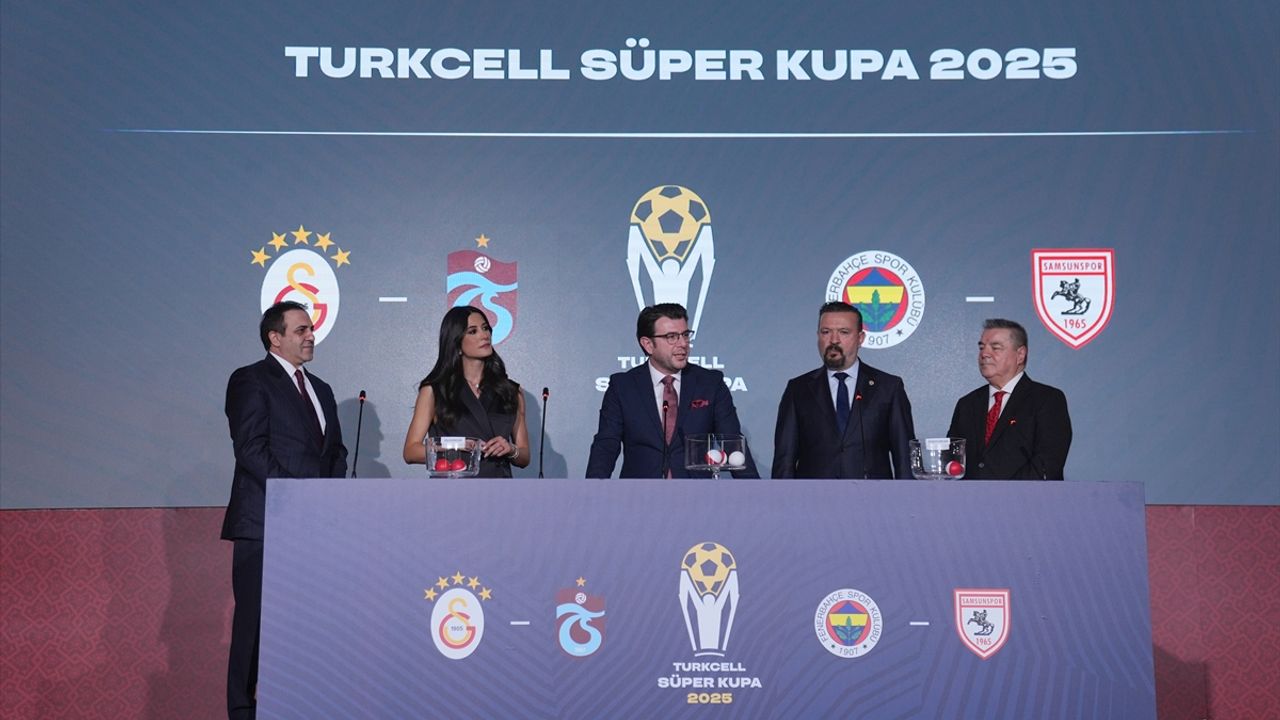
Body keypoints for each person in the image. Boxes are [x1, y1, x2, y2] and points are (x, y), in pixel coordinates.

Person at [222, 301, 348, 720]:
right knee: (254, 626)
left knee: (308, 623)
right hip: (266, 523)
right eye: (300, 330)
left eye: (310, 329)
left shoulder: (322, 389)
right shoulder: (250, 380)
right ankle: (243, 711)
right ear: (274, 338)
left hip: (315, 527)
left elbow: (336, 452)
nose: (310, 336)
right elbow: (250, 449)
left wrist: (328, 499)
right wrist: (297, 496)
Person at [586, 303, 760, 479]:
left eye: (685, 335)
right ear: (648, 344)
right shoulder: (623, 387)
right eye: (672, 337)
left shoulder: (710, 383)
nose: (683, 344)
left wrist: (754, 491)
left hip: (696, 492)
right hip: (640, 492)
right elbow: (606, 446)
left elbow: (732, 444)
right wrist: (591, 491)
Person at [773, 301, 915, 479]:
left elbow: (905, 458)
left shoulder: (888, 387)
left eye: (844, 332)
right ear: (818, 336)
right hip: (814, 495)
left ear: (860, 338)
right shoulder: (798, 389)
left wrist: (908, 495)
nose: (834, 340)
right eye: (826, 332)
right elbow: (784, 460)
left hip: (873, 494)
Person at [403, 306, 529, 476]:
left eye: (485, 328)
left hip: (500, 486)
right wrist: (457, 446)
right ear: (457, 343)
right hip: (453, 486)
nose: (484, 335)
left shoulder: (511, 391)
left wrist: (511, 449)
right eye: (473, 331)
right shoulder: (435, 391)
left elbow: (524, 456)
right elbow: (411, 451)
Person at [947, 318, 1072, 479]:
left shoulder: (1047, 400)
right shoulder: (967, 404)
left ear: (1020, 355)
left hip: (1027, 495)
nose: (984, 354)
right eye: (982, 347)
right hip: (969, 495)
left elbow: (1047, 464)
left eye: (995, 348)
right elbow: (952, 460)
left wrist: (1000, 492)